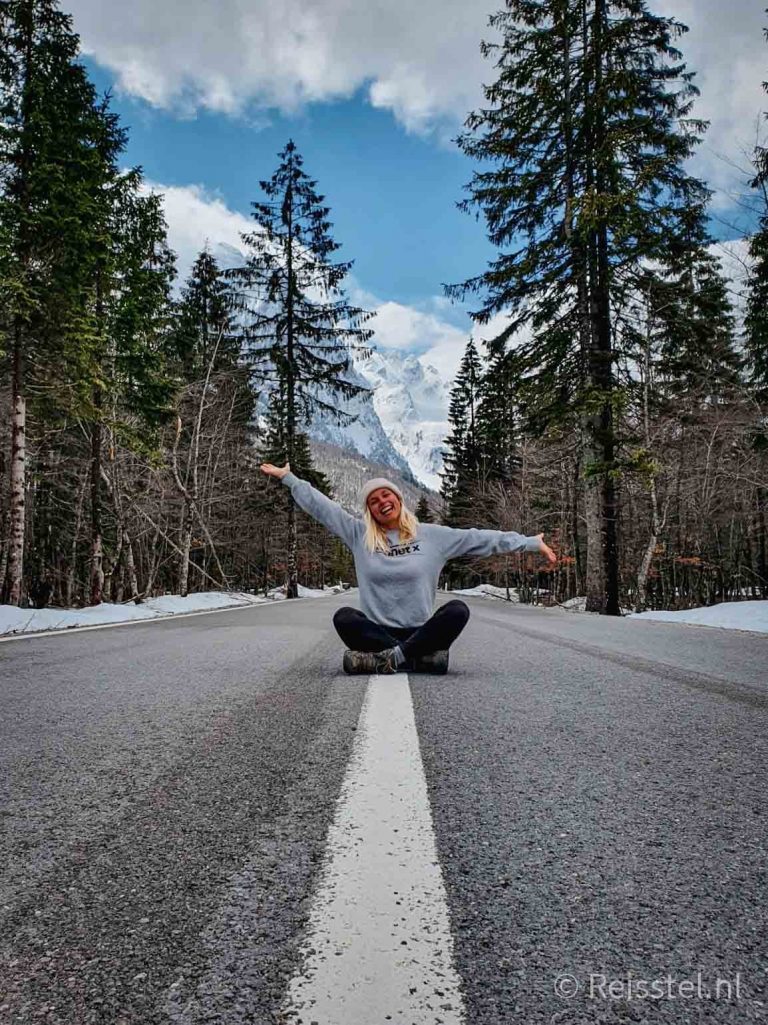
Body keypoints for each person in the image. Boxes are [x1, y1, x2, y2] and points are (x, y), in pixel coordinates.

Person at [259, 462, 556, 674]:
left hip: (421, 630)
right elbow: (324, 508)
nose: (381, 503)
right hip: (376, 633)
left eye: (386, 495)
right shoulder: (359, 536)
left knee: (457, 610)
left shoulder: (432, 535)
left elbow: (480, 539)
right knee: (344, 617)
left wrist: (528, 542)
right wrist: (290, 479)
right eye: (374, 501)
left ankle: (391, 659)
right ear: (370, 511)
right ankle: (416, 660)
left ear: (398, 499)